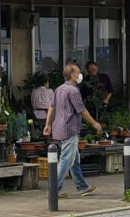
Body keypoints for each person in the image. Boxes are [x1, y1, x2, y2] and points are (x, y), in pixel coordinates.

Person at [43, 62, 102, 198]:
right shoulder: (73, 91)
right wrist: (94, 123)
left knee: (74, 159)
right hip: (69, 129)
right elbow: (81, 110)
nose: (80, 74)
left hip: (59, 128)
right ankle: (54, 190)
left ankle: (82, 187)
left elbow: (51, 107)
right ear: (71, 75)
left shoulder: (59, 89)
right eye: (78, 72)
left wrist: (48, 124)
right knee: (65, 160)